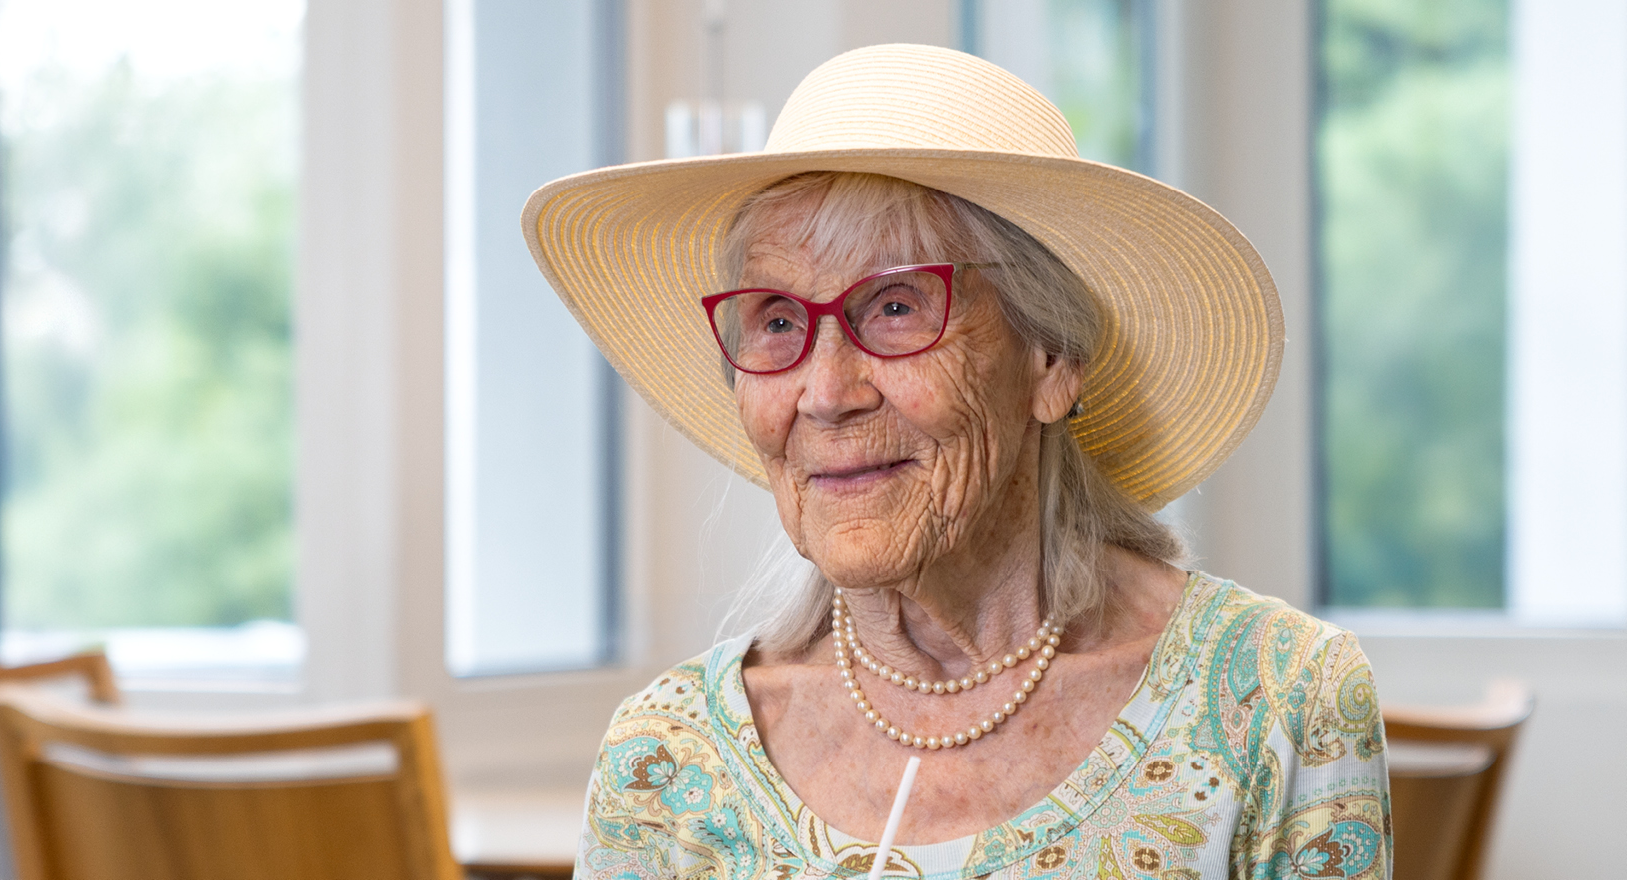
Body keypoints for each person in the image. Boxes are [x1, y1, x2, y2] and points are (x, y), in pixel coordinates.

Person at [523, 44, 1387, 880]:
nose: (825, 392)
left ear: (1050, 362)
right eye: (779, 321)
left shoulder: (1274, 701)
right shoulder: (668, 760)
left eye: (897, 306)